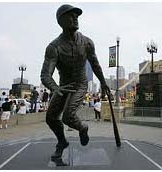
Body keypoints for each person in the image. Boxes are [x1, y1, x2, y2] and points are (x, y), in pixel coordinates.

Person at [40, 4, 110, 162]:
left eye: (77, 16)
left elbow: (95, 64)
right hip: (63, 86)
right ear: (61, 21)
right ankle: (62, 142)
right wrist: (55, 88)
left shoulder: (87, 43)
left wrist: (103, 83)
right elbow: (45, 74)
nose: (75, 18)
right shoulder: (54, 47)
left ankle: (83, 128)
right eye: (71, 16)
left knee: (68, 116)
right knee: (51, 117)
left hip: (80, 84)